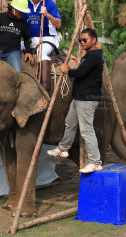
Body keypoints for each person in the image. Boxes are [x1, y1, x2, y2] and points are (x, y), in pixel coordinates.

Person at [47, 28, 104, 174]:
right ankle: (63, 149)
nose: (82, 43)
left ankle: (95, 162)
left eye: (85, 40)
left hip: (86, 99)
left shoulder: (93, 56)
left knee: (86, 131)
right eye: (80, 40)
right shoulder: (89, 55)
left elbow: (80, 73)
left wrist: (67, 70)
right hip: (79, 97)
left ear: (94, 40)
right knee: (70, 123)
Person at [21, 0, 62, 90]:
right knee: (14, 47)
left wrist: (47, 14)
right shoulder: (27, 4)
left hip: (47, 39)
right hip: (30, 39)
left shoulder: (49, 3)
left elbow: (58, 24)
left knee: (41, 53)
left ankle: (45, 87)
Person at [0, 0, 34, 72]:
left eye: (23, 12)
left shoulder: (24, 24)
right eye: (20, 11)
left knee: (19, 73)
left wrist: (29, 52)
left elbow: (27, 39)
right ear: (13, 9)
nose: (22, 14)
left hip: (13, 53)